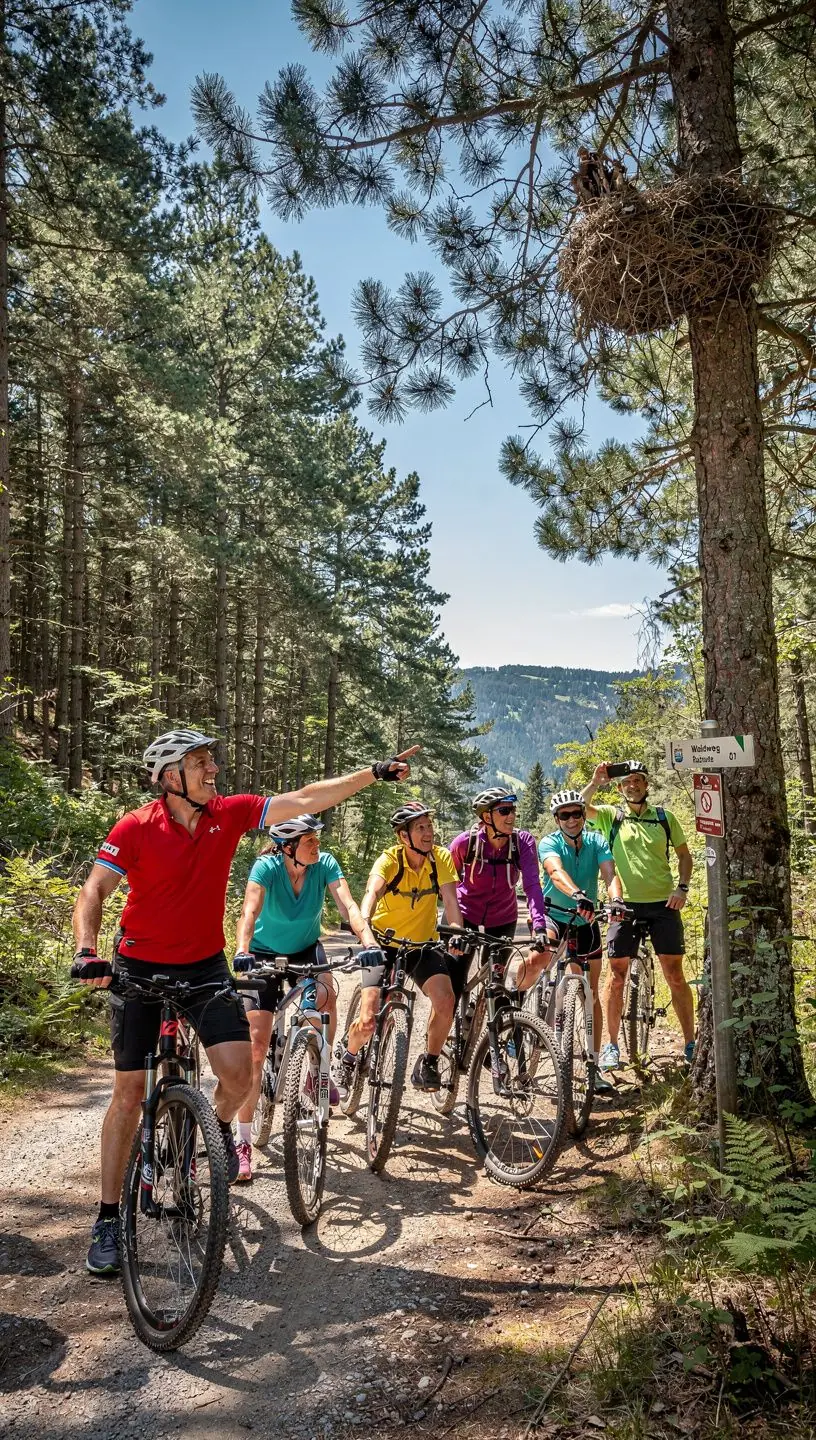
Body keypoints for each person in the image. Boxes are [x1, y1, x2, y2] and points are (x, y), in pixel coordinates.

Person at [72, 728, 416, 1275]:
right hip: (138, 965)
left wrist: (371, 774)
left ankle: (198, 1142)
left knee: (238, 1077)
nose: (213, 771)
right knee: (129, 1093)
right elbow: (94, 891)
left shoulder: (227, 815)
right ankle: (109, 1217)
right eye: (201, 763)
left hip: (205, 967)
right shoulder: (135, 827)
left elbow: (304, 799)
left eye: (212, 761)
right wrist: (88, 951)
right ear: (169, 777)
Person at [231, 813, 379, 1182]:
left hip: (306, 952)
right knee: (257, 1045)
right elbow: (249, 910)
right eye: (309, 841)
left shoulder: (324, 864)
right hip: (262, 954)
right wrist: (242, 948)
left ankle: (317, 1071)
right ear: (288, 848)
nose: (317, 845)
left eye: (316, 840)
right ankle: (243, 1140)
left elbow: (348, 906)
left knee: (326, 995)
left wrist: (368, 942)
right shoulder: (266, 867)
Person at [333, 801, 467, 1094]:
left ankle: (429, 1062)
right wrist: (363, 925)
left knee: (446, 1000)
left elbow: (451, 902)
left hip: (422, 946)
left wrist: (456, 933)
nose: (428, 832)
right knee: (368, 1021)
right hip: (382, 944)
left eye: (429, 825)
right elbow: (371, 893)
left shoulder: (440, 859)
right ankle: (348, 1055)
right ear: (403, 836)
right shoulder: (389, 859)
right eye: (420, 827)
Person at [581, 760, 695, 1070]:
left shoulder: (664, 818)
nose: (633, 785)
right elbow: (578, 808)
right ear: (619, 788)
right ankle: (611, 1046)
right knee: (616, 976)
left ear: (646, 785)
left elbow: (685, 856)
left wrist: (682, 889)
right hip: (624, 906)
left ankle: (690, 1043)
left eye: (638, 781)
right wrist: (595, 781)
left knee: (674, 974)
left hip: (663, 904)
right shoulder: (610, 816)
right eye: (627, 782)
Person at [534, 789, 627, 1092]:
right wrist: (576, 894)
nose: (572, 819)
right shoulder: (549, 842)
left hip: (586, 920)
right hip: (555, 914)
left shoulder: (596, 840)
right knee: (539, 960)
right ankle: (520, 1022)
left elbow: (610, 874)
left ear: (584, 815)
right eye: (565, 815)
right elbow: (555, 871)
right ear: (557, 819)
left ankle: (593, 1064)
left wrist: (616, 901)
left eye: (577, 813)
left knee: (591, 994)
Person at [449, 785, 551, 957]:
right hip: (465, 913)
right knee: (456, 978)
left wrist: (539, 926)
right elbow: (448, 881)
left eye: (513, 810)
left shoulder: (523, 842)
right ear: (487, 817)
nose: (511, 816)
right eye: (504, 810)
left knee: (497, 979)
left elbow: (532, 885)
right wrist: (455, 925)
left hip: (503, 916)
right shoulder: (464, 843)